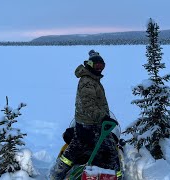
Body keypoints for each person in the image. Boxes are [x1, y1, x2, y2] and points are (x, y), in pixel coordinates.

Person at [49, 50, 121, 179]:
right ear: (89, 65)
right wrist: (103, 117)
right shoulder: (88, 82)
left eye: (102, 66)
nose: (99, 69)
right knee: (111, 151)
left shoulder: (91, 79)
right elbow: (88, 105)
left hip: (86, 123)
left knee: (74, 150)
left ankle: (56, 174)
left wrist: (93, 54)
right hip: (90, 124)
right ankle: (118, 176)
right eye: (96, 66)